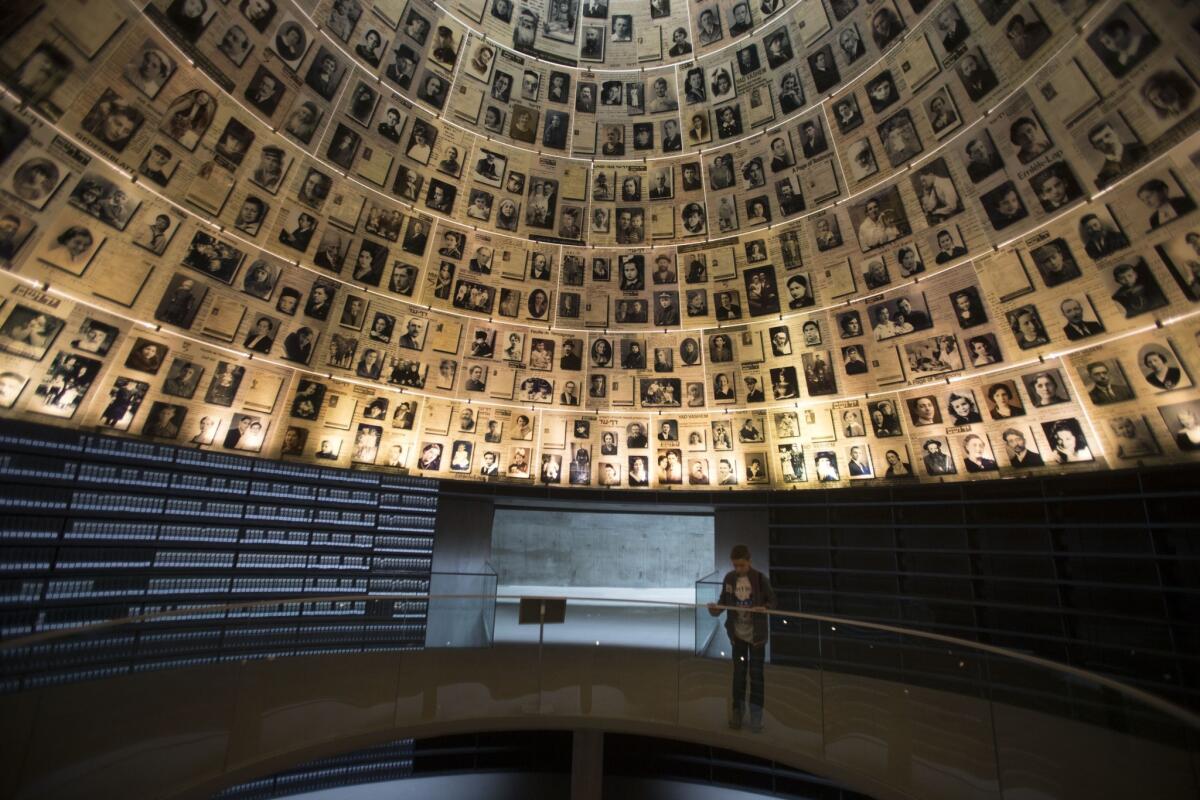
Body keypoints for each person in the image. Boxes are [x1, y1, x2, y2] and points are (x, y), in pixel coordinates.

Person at [707, 545, 776, 733]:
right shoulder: (729, 578)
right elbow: (723, 602)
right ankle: (737, 711)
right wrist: (715, 609)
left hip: (757, 638)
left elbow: (773, 600)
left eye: (742, 565)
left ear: (749, 562)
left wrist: (766, 607)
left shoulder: (760, 579)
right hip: (737, 636)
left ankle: (756, 715)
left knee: (756, 677)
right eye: (735, 565)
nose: (738, 569)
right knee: (738, 676)